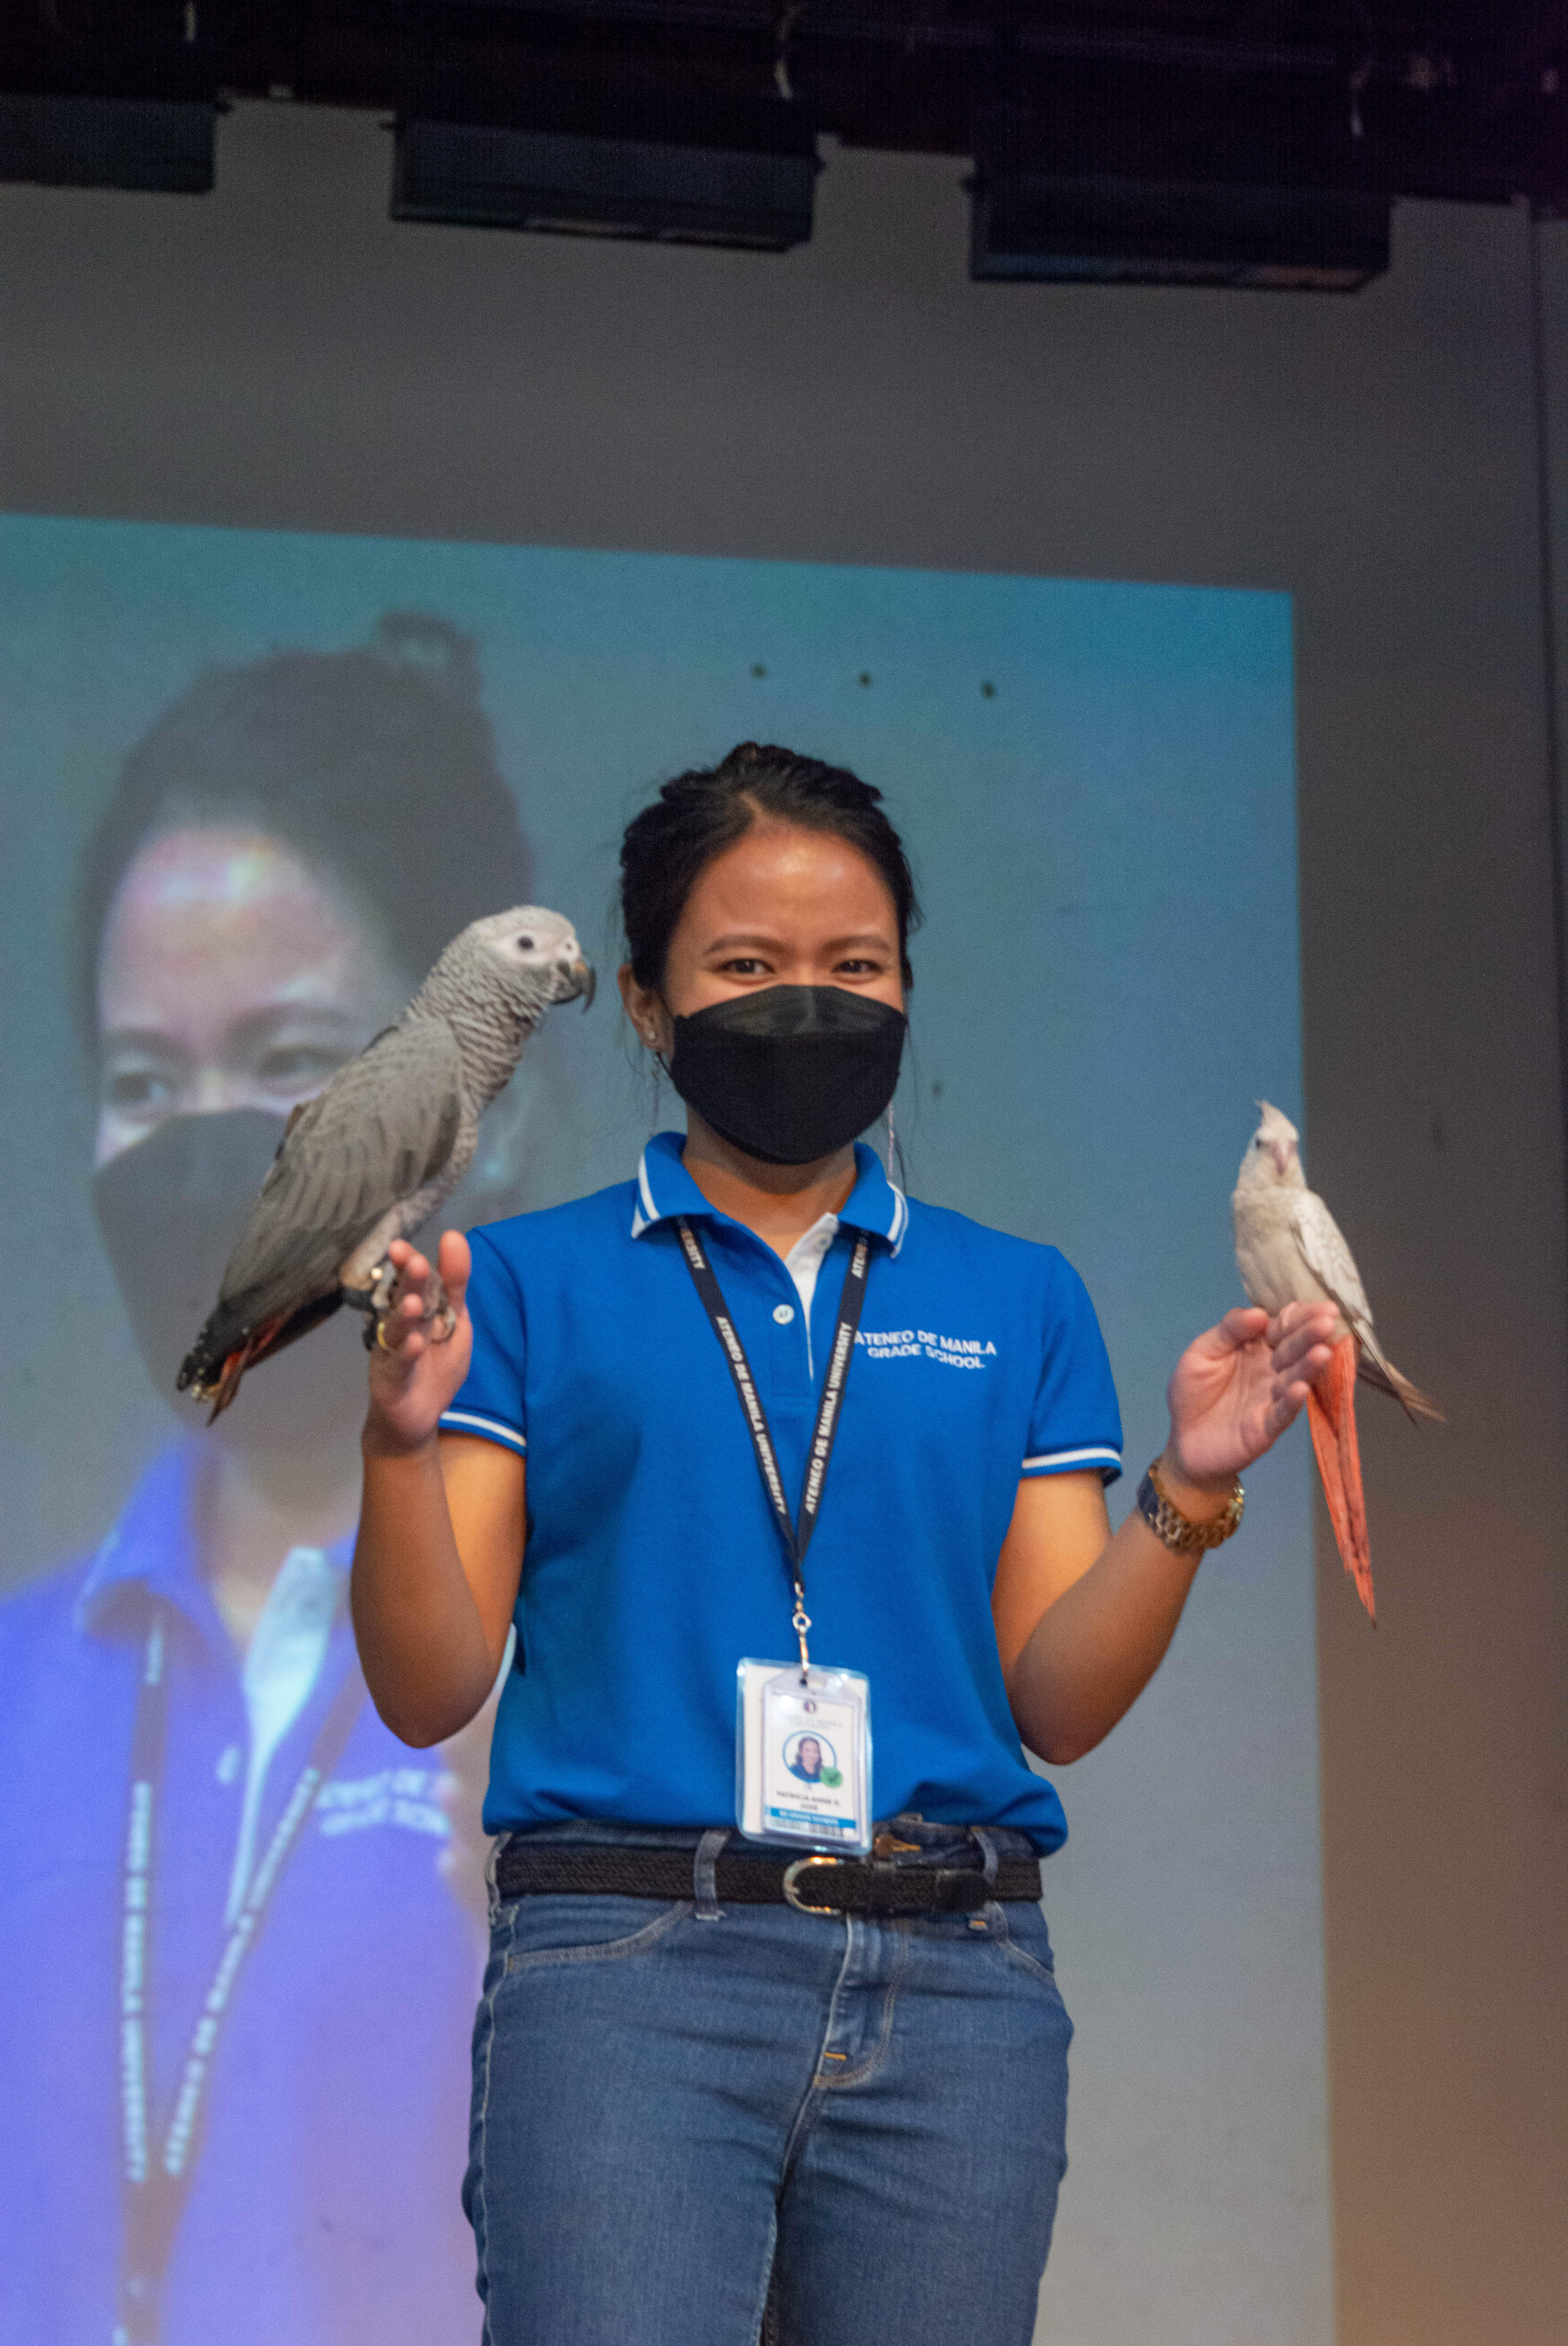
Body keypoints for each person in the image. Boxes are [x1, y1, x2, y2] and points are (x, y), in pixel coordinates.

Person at [352, 740, 1339, 2346]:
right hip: (628, 1972)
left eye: (854, 967)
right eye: (745, 966)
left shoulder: (1013, 1296)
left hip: (958, 1978)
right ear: (652, 1006)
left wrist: (1188, 1483)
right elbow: (427, 1684)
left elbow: (1058, 1700)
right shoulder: (524, 1282)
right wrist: (398, 1441)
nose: (804, 1003)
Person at [0, 615, 548, 2346]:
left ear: (489, 1116)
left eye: (294, 1062)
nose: (210, 1148)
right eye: (147, 1080)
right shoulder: (17, 1692)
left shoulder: (599, 1666)